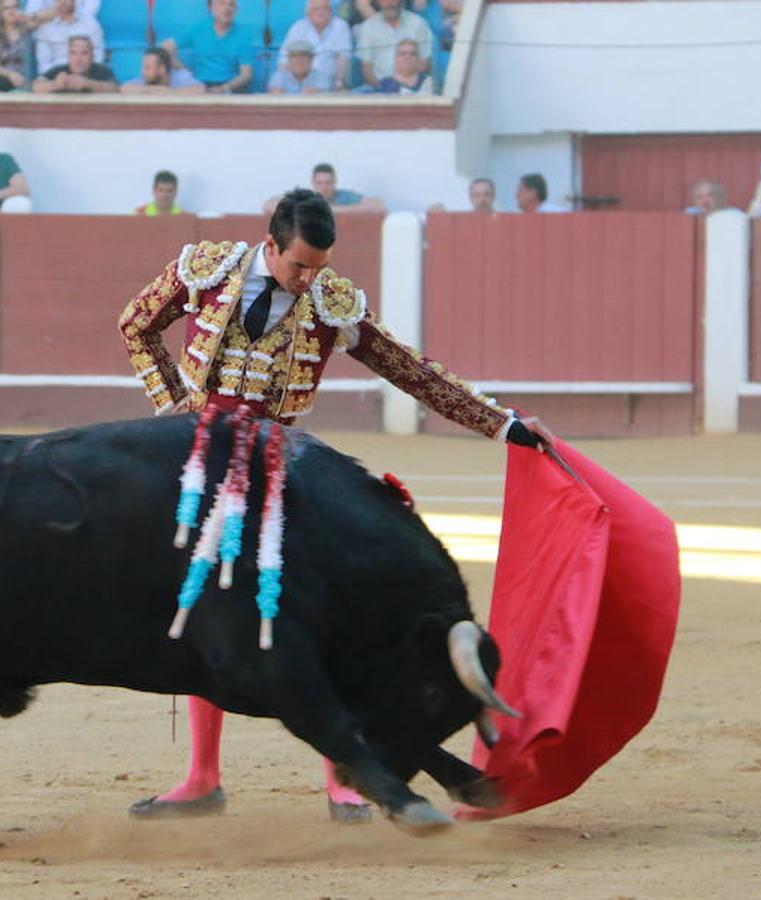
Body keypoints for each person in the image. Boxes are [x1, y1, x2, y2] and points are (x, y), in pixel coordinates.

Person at [117, 188, 553, 821]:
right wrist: (176, 403)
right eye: (299, 266)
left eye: (319, 267)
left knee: (323, 618)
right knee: (207, 613)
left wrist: (502, 424)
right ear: (269, 246)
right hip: (203, 461)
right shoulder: (206, 269)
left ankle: (343, 777)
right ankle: (202, 776)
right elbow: (137, 323)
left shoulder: (331, 301)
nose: (309, 278)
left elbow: (408, 369)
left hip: (284, 465)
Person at [163, 0, 254, 95]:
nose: (227, 8)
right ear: (211, 8)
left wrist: (224, 88)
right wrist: (184, 71)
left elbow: (246, 75)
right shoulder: (199, 28)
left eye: (231, 4)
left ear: (236, 10)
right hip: (201, 86)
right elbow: (165, 47)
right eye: (222, 3)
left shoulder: (243, 34)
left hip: (230, 87)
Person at [275, 0, 350, 92]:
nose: (321, 12)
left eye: (326, 9)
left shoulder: (340, 26)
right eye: (316, 9)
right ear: (308, 12)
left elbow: (344, 59)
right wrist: (292, 82)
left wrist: (339, 82)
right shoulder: (298, 27)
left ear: (331, 11)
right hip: (300, 79)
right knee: (277, 80)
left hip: (329, 83)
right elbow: (283, 60)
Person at [355, 0, 432, 89]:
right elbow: (367, 69)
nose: (390, 3)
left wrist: (411, 86)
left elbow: (425, 63)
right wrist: (383, 90)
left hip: (414, 89)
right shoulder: (368, 27)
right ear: (378, 2)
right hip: (381, 90)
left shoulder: (418, 24)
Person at [264, 163, 386, 215]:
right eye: (320, 183)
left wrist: (329, 210)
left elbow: (378, 206)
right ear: (313, 183)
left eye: (328, 183)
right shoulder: (305, 196)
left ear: (335, 182)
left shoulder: (344, 196)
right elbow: (269, 205)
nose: (324, 187)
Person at [32, 0, 104, 76]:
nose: (63, 1)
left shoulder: (90, 24)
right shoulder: (45, 27)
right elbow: (43, 63)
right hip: (56, 78)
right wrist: (57, 77)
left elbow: (98, 57)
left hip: (85, 76)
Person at [33, 34, 116, 93]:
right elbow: (35, 86)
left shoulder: (102, 71)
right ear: (68, 56)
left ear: (92, 57)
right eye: (73, 53)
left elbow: (114, 89)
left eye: (84, 53)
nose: (78, 59)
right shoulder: (59, 71)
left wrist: (87, 84)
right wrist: (55, 85)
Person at [0, 0, 32, 92]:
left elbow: (50, 15)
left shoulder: (26, 29)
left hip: (25, 75)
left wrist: (26, 17)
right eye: (6, 8)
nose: (11, 11)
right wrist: (11, 75)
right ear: (0, 12)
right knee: (2, 81)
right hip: (1, 76)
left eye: (15, 7)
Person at [120, 46, 204, 94]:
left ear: (162, 69)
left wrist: (169, 92)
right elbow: (124, 88)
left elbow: (201, 89)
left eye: (147, 67)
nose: (142, 71)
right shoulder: (145, 79)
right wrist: (154, 90)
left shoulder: (180, 76)